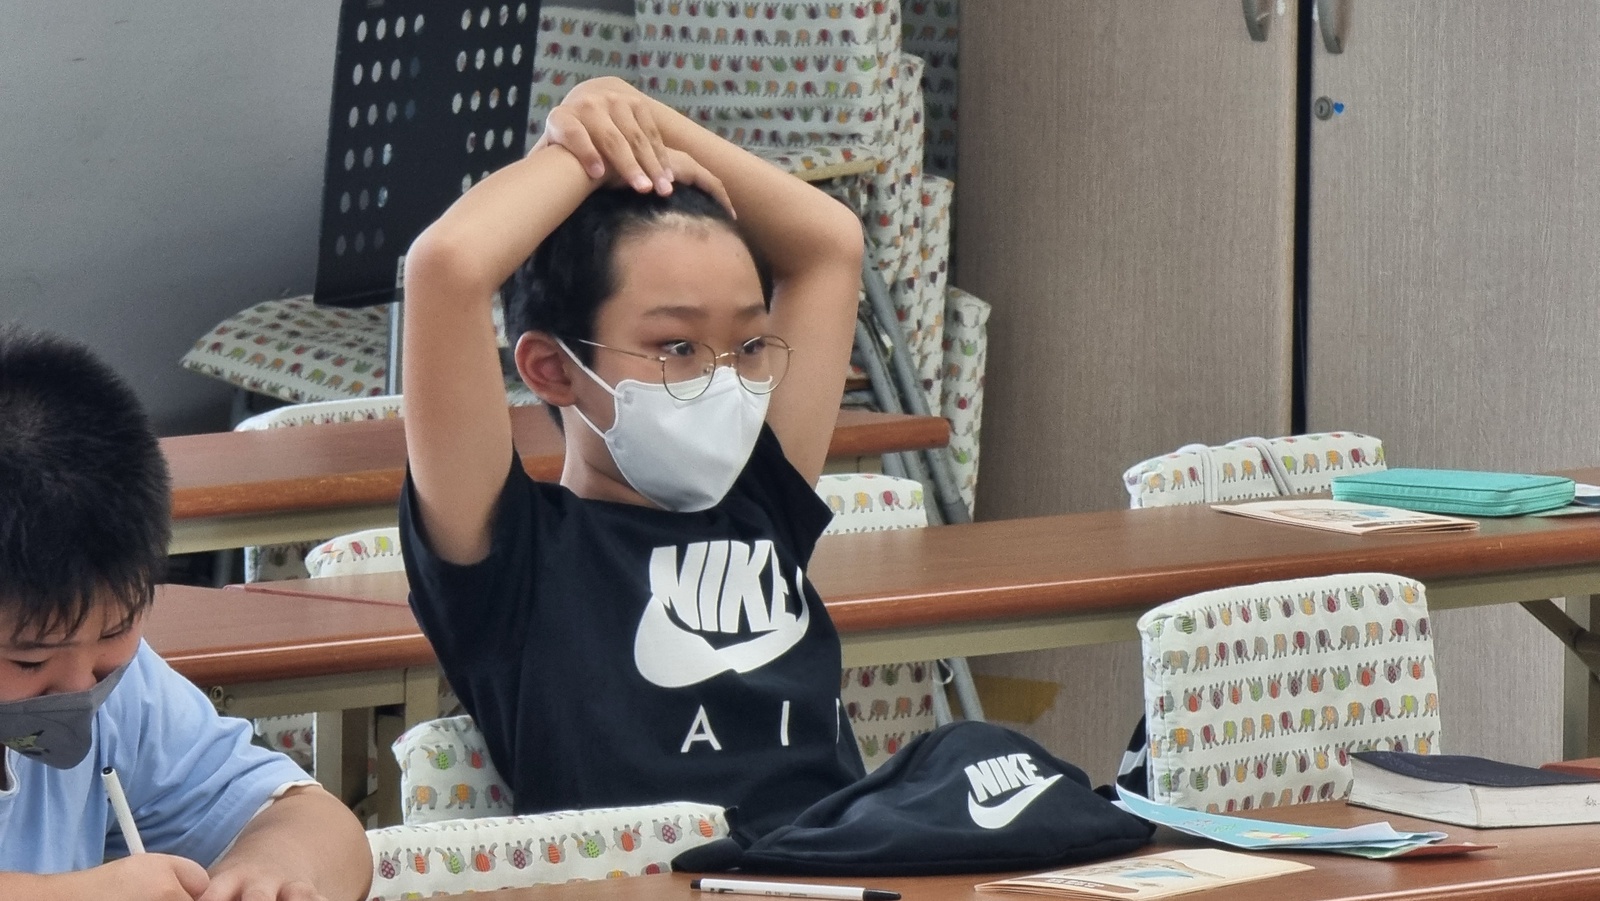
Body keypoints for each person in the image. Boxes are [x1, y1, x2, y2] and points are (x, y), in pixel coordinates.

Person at [398, 76, 866, 841]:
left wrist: (643, 120)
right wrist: (585, 146)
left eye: (749, 344)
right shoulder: (512, 556)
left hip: (841, 868)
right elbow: (446, 266)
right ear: (553, 369)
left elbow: (830, 243)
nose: (723, 379)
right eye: (676, 347)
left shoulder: (761, 493)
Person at [0, 326, 372, 901]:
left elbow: (315, 823)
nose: (80, 689)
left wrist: (269, 873)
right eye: (30, 660)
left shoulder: (124, 694)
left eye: (115, 632)